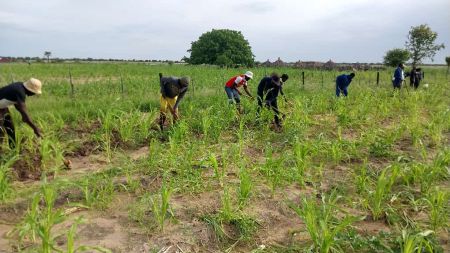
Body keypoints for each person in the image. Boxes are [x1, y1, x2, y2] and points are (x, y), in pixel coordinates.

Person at [0, 78, 42, 148]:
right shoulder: (20, 92)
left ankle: (13, 149)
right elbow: (25, 113)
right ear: (30, 90)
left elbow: (18, 106)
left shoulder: (19, 86)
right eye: (34, 92)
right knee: (0, 131)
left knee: (10, 127)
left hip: (3, 107)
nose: (34, 94)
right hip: (1, 108)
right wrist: (35, 128)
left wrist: (24, 116)